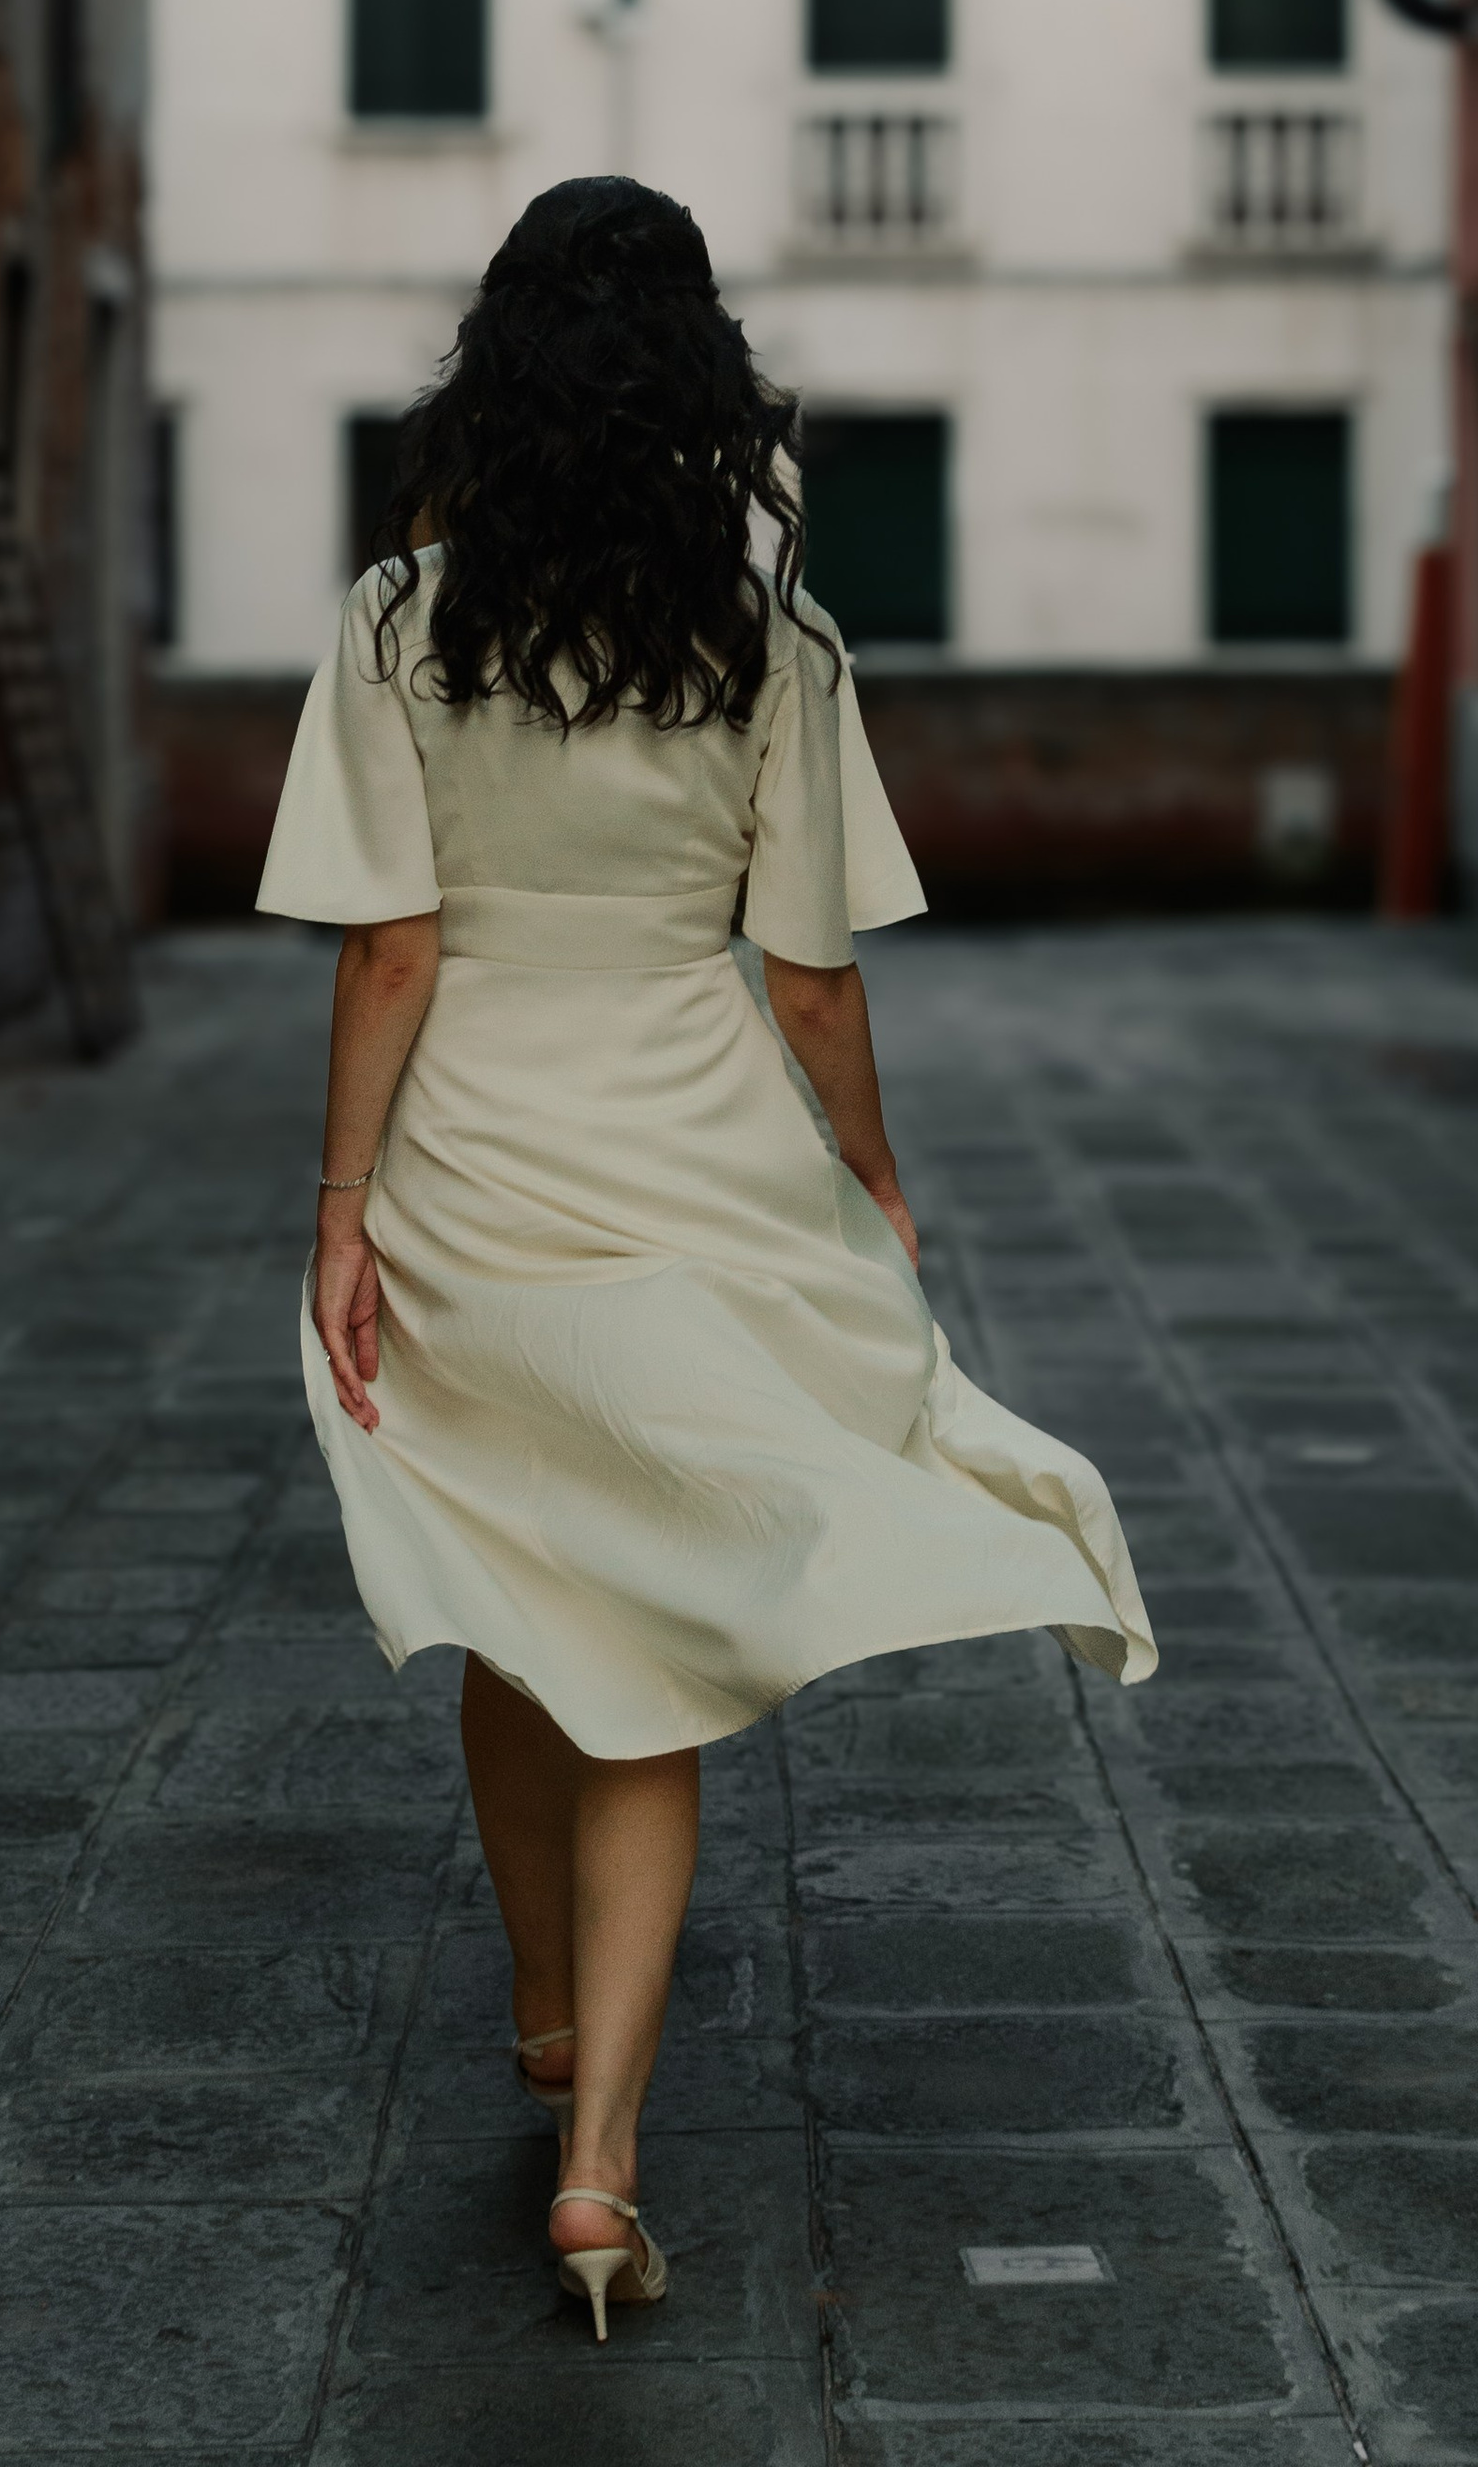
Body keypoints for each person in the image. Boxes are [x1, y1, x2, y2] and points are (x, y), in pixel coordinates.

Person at [257, 176, 1155, 2340]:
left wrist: (341, 1210)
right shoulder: (768, 635)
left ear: (494, 366)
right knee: (645, 1648)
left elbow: (388, 946)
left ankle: (552, 2016)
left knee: (506, 1591)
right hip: (690, 1153)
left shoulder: (396, 621)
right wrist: (871, 1171)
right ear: (697, 380)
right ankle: (598, 2168)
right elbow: (811, 970)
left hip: (473, 1160)